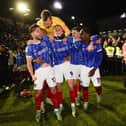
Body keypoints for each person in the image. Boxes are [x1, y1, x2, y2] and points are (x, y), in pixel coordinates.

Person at [25, 24, 62, 122]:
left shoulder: (45, 40)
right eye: (37, 31)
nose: (40, 32)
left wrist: (52, 36)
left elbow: (55, 35)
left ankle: (57, 110)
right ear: (32, 34)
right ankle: (38, 111)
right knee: (38, 93)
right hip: (38, 72)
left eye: (40, 31)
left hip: (49, 69)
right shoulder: (29, 47)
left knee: (53, 90)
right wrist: (32, 75)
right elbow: (29, 63)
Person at [80, 27, 103, 110]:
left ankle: (99, 98)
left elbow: (100, 58)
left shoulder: (97, 44)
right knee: (85, 86)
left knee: (98, 86)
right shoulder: (81, 44)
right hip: (84, 68)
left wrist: (94, 69)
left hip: (94, 68)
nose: (80, 35)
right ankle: (86, 102)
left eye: (82, 34)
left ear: (87, 34)